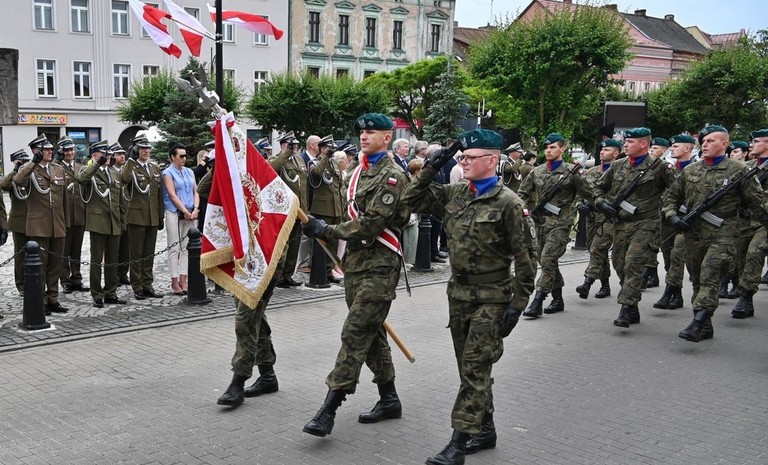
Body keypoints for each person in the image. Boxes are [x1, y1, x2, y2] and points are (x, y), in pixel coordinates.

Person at [400, 129, 536, 465]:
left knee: (475, 368)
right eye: (462, 157)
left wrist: (517, 306)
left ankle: (457, 444)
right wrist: (433, 166)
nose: (464, 161)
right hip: (459, 295)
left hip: (492, 298)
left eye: (471, 157)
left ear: (492, 160)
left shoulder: (509, 204)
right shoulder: (456, 193)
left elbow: (526, 260)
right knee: (470, 369)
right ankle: (485, 429)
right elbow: (411, 200)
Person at [300, 113, 410, 438]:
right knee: (371, 334)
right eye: (362, 131)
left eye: (371, 132)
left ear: (387, 137)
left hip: (381, 265)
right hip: (355, 264)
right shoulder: (355, 172)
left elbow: (371, 224)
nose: (364, 136)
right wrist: (320, 227)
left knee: (355, 332)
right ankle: (389, 399)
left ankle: (329, 408)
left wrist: (327, 230)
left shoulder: (393, 176)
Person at [663, 125, 766, 341]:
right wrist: (672, 217)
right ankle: (705, 322)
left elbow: (756, 203)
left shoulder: (739, 170)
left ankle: (698, 322)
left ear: (724, 144)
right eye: (703, 141)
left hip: (724, 232)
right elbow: (671, 197)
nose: (705, 144)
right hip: (694, 233)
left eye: (711, 141)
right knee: (697, 278)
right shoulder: (691, 170)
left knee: (710, 273)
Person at [594, 128, 675, 328]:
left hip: (646, 224)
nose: (625, 145)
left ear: (643, 144)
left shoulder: (659, 167)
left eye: (630, 141)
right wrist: (601, 202)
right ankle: (633, 306)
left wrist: (668, 211)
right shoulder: (618, 165)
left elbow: (674, 192)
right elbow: (598, 187)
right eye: (626, 141)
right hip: (620, 224)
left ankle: (625, 307)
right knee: (619, 264)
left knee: (633, 263)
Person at [518, 133, 588, 318]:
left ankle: (538, 301)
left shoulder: (572, 171)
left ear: (562, 149)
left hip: (561, 223)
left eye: (553, 147)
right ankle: (558, 299)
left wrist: (581, 204)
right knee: (546, 261)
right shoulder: (537, 171)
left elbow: (587, 192)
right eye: (547, 148)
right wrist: (524, 210)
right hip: (540, 222)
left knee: (548, 258)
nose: (548, 151)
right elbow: (522, 193)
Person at [14, 135, 69, 314]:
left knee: (55, 265)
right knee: (40, 266)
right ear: (37, 151)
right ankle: (40, 300)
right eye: (47, 149)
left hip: (57, 224)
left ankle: (53, 299)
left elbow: (64, 199)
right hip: (39, 226)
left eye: (51, 149)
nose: (50, 152)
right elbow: (18, 180)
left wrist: (65, 222)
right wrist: (33, 163)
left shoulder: (58, 169)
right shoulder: (29, 169)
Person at [76, 141, 125, 308]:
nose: (107, 157)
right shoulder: (89, 171)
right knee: (96, 260)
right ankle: (97, 294)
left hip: (113, 221)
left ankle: (111, 292)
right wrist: (97, 164)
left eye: (108, 154)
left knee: (113, 260)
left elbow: (120, 201)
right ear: (95, 155)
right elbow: (81, 179)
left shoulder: (114, 173)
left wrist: (122, 222)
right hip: (98, 222)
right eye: (103, 154)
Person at [653, 134, 695, 310]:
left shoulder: (696, 168)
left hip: (687, 220)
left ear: (687, 148)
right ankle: (677, 296)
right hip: (667, 218)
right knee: (669, 258)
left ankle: (668, 293)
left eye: (676, 146)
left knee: (678, 255)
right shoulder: (667, 168)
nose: (672, 149)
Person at [575, 139, 621, 299]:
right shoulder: (591, 172)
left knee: (598, 248)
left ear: (616, 153)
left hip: (609, 217)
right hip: (592, 216)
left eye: (607, 150)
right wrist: (580, 205)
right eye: (602, 149)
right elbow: (580, 192)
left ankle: (587, 283)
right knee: (594, 250)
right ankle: (605, 284)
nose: (602, 152)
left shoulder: (620, 172)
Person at [120, 136, 164, 300]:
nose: (146, 151)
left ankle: (148, 284)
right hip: (136, 216)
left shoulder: (154, 168)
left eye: (148, 148)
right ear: (136, 150)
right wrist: (130, 161)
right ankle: (137, 286)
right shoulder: (131, 167)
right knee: (136, 254)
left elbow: (159, 194)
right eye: (142, 148)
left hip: (152, 216)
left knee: (148, 253)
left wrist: (160, 216)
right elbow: (123, 179)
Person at [730, 129, 768, 318]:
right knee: (740, 258)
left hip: (765, 222)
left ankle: (745, 297)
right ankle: (746, 296)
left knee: (755, 253)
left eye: (756, 141)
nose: (751, 144)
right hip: (744, 221)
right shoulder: (746, 167)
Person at [269, 131, 308, 287]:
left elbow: (303, 186)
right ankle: (277, 276)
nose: (295, 148)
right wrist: (285, 153)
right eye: (291, 145)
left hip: (299, 208)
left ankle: (288, 275)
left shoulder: (299, 160)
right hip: (284, 209)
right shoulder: (277, 159)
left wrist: (305, 208)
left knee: (294, 244)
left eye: (296, 145)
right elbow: (272, 169)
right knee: (282, 244)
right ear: (283, 145)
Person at [162, 142, 199, 295]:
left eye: (185, 156)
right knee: (174, 247)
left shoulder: (189, 172)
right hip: (174, 212)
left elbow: (196, 191)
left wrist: (196, 208)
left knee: (186, 247)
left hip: (190, 211)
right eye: (181, 156)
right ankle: (174, 280)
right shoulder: (167, 173)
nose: (184, 159)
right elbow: (172, 194)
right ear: (173, 157)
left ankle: (184, 279)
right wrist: (183, 210)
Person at [55, 137, 89, 294]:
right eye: (66, 150)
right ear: (62, 152)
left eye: (71, 150)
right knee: (64, 250)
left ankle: (76, 279)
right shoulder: (57, 168)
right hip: (65, 216)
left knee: (77, 250)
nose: (69, 153)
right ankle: (65, 280)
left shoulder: (81, 168)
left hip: (79, 214)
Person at [307, 135, 343, 283]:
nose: (331, 150)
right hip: (322, 208)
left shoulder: (333, 163)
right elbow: (316, 174)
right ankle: (319, 271)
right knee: (321, 241)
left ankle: (329, 271)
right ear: (322, 149)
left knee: (333, 241)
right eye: (328, 148)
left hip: (335, 207)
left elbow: (338, 185)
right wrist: (325, 157)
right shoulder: (314, 162)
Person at [1, 149, 31, 295]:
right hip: (19, 222)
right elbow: (3, 185)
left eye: (25, 161)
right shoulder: (13, 178)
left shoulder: (30, 175)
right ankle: (21, 284)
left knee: (36, 253)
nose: (23, 164)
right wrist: (15, 170)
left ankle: (35, 281)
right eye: (20, 161)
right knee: (20, 255)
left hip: (34, 221)